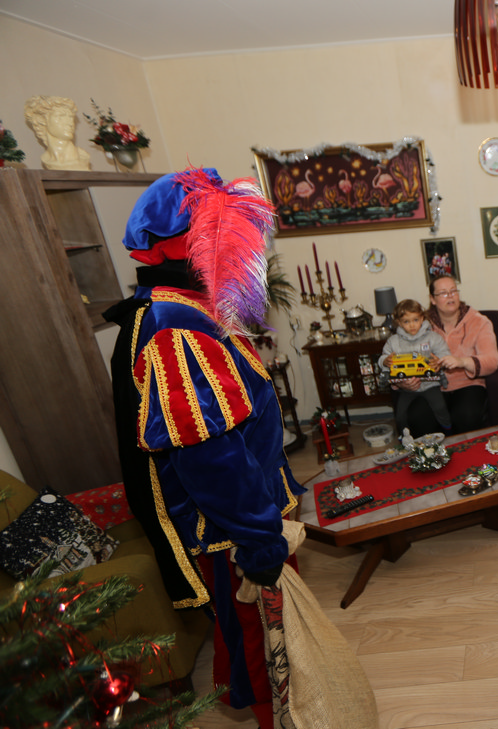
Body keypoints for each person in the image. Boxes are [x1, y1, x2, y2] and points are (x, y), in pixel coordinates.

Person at [105, 168, 304, 728]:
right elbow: (209, 458)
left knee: (270, 644)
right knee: (266, 650)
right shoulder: (177, 330)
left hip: (248, 516)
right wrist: (260, 540)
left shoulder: (185, 309)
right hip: (235, 531)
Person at [395, 274, 498, 436]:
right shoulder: (419, 324)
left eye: (453, 291)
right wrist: (403, 383)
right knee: (417, 417)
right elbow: (400, 358)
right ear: (432, 299)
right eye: (443, 293)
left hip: (468, 385)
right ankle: (432, 452)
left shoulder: (479, 322)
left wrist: (462, 362)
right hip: (430, 386)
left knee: (466, 416)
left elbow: (492, 361)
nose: (450, 296)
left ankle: (466, 451)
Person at [382, 298, 453, 432]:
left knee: (440, 407)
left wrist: (439, 361)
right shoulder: (393, 341)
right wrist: (385, 361)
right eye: (406, 322)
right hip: (407, 387)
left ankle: (448, 429)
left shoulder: (432, 337)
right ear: (399, 323)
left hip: (430, 384)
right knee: (400, 414)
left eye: (415, 320)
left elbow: (445, 354)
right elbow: (384, 357)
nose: (412, 325)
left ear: (422, 318)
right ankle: (404, 437)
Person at [23, 95, 91, 170]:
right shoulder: (46, 159)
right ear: (42, 120)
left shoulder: (82, 156)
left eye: (71, 117)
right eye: (61, 116)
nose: (70, 123)